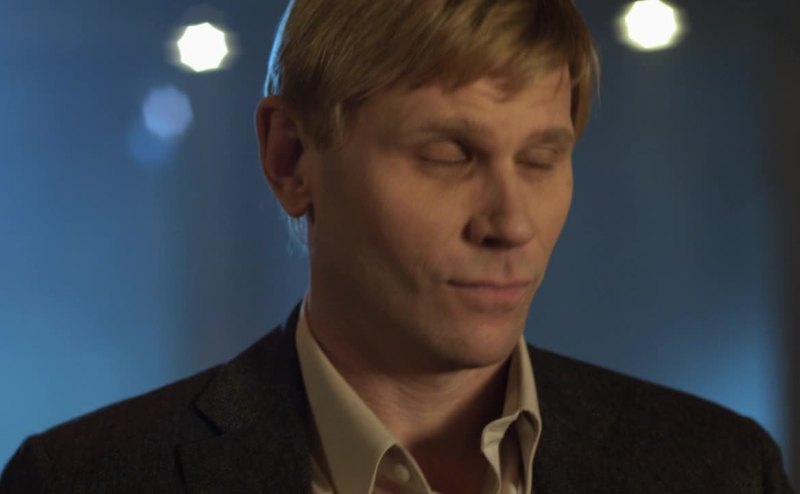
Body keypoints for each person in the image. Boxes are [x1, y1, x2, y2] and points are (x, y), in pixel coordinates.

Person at [1, 0, 793, 492]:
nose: (511, 224)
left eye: (540, 159)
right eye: (448, 155)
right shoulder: (81, 481)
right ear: (291, 158)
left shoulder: (718, 470)